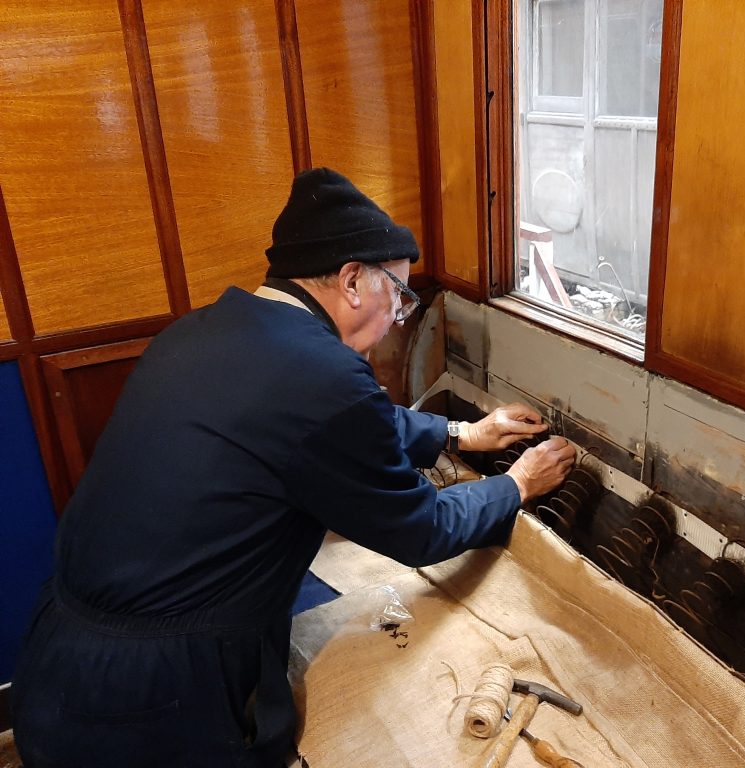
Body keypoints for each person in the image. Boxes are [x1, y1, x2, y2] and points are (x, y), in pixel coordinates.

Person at [11, 167, 576, 767]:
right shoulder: (323, 377)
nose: (398, 318)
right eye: (399, 295)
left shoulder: (207, 329)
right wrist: (514, 484)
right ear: (354, 280)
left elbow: (324, 423)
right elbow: (419, 528)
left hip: (55, 660)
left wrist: (463, 433)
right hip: (152, 703)